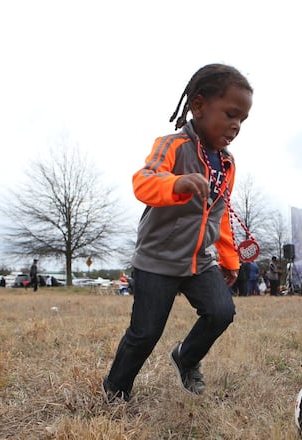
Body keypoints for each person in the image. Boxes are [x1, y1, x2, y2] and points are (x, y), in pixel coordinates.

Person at [103, 64, 254, 402]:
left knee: (221, 312)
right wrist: (177, 183)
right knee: (145, 333)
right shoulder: (171, 145)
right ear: (198, 106)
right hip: (158, 259)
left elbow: (221, 214)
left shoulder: (227, 164)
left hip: (200, 260)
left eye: (242, 120)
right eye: (230, 114)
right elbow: (144, 181)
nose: (236, 126)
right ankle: (116, 389)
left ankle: (185, 357)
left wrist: (229, 259)